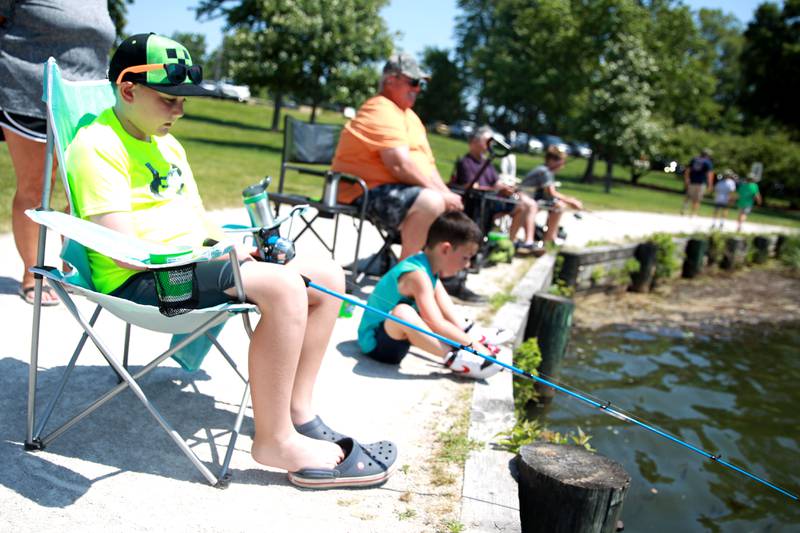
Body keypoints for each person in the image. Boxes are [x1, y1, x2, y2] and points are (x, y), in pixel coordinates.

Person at [65, 33, 394, 488]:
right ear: (127, 90)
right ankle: (274, 440)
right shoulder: (96, 145)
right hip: (144, 285)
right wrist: (220, 255)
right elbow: (128, 251)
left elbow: (199, 225)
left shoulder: (168, 147)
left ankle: (297, 410)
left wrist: (243, 245)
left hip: (188, 269)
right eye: (168, 100)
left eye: (183, 101)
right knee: (280, 287)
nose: (180, 111)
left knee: (326, 274)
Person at [0, 0, 115, 305]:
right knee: (35, 186)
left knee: (81, 189)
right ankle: (32, 274)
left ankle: (73, 268)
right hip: (29, 92)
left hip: (87, 101)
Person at [331, 52, 463, 261]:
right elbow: (399, 165)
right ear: (391, 80)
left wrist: (449, 196)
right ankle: (406, 277)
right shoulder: (380, 108)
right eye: (413, 82)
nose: (418, 89)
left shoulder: (410, 117)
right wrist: (440, 196)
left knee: (452, 209)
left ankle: (440, 274)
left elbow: (428, 167)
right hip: (360, 189)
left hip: (394, 188)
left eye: (420, 84)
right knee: (430, 202)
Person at [357, 211, 504, 379]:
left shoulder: (427, 268)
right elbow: (436, 323)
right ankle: (457, 359)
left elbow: (446, 313)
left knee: (436, 305)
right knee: (403, 312)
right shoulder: (417, 275)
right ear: (446, 249)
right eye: (465, 257)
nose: (467, 265)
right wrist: (479, 349)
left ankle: (471, 335)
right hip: (377, 344)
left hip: (398, 340)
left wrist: (472, 341)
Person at [452, 126, 542, 255]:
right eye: (487, 141)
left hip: (491, 199)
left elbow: (496, 182)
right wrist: (496, 189)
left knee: (520, 206)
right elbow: (472, 187)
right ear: (474, 142)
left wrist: (505, 188)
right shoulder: (465, 162)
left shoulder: (486, 163)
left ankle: (510, 243)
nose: (489, 145)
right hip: (477, 201)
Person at [521, 146, 582, 243]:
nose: (562, 166)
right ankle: (549, 239)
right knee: (559, 206)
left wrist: (567, 200)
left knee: (559, 205)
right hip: (525, 199)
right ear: (552, 160)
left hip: (534, 199)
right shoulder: (544, 171)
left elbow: (549, 194)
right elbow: (551, 193)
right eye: (562, 162)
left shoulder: (546, 171)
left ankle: (550, 238)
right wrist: (570, 201)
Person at [681, 148, 714, 217]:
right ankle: (693, 213)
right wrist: (710, 185)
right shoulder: (708, 162)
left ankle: (684, 209)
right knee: (697, 199)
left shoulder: (694, 159)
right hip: (701, 183)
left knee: (688, 196)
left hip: (692, 181)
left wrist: (687, 179)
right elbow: (709, 174)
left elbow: (687, 170)